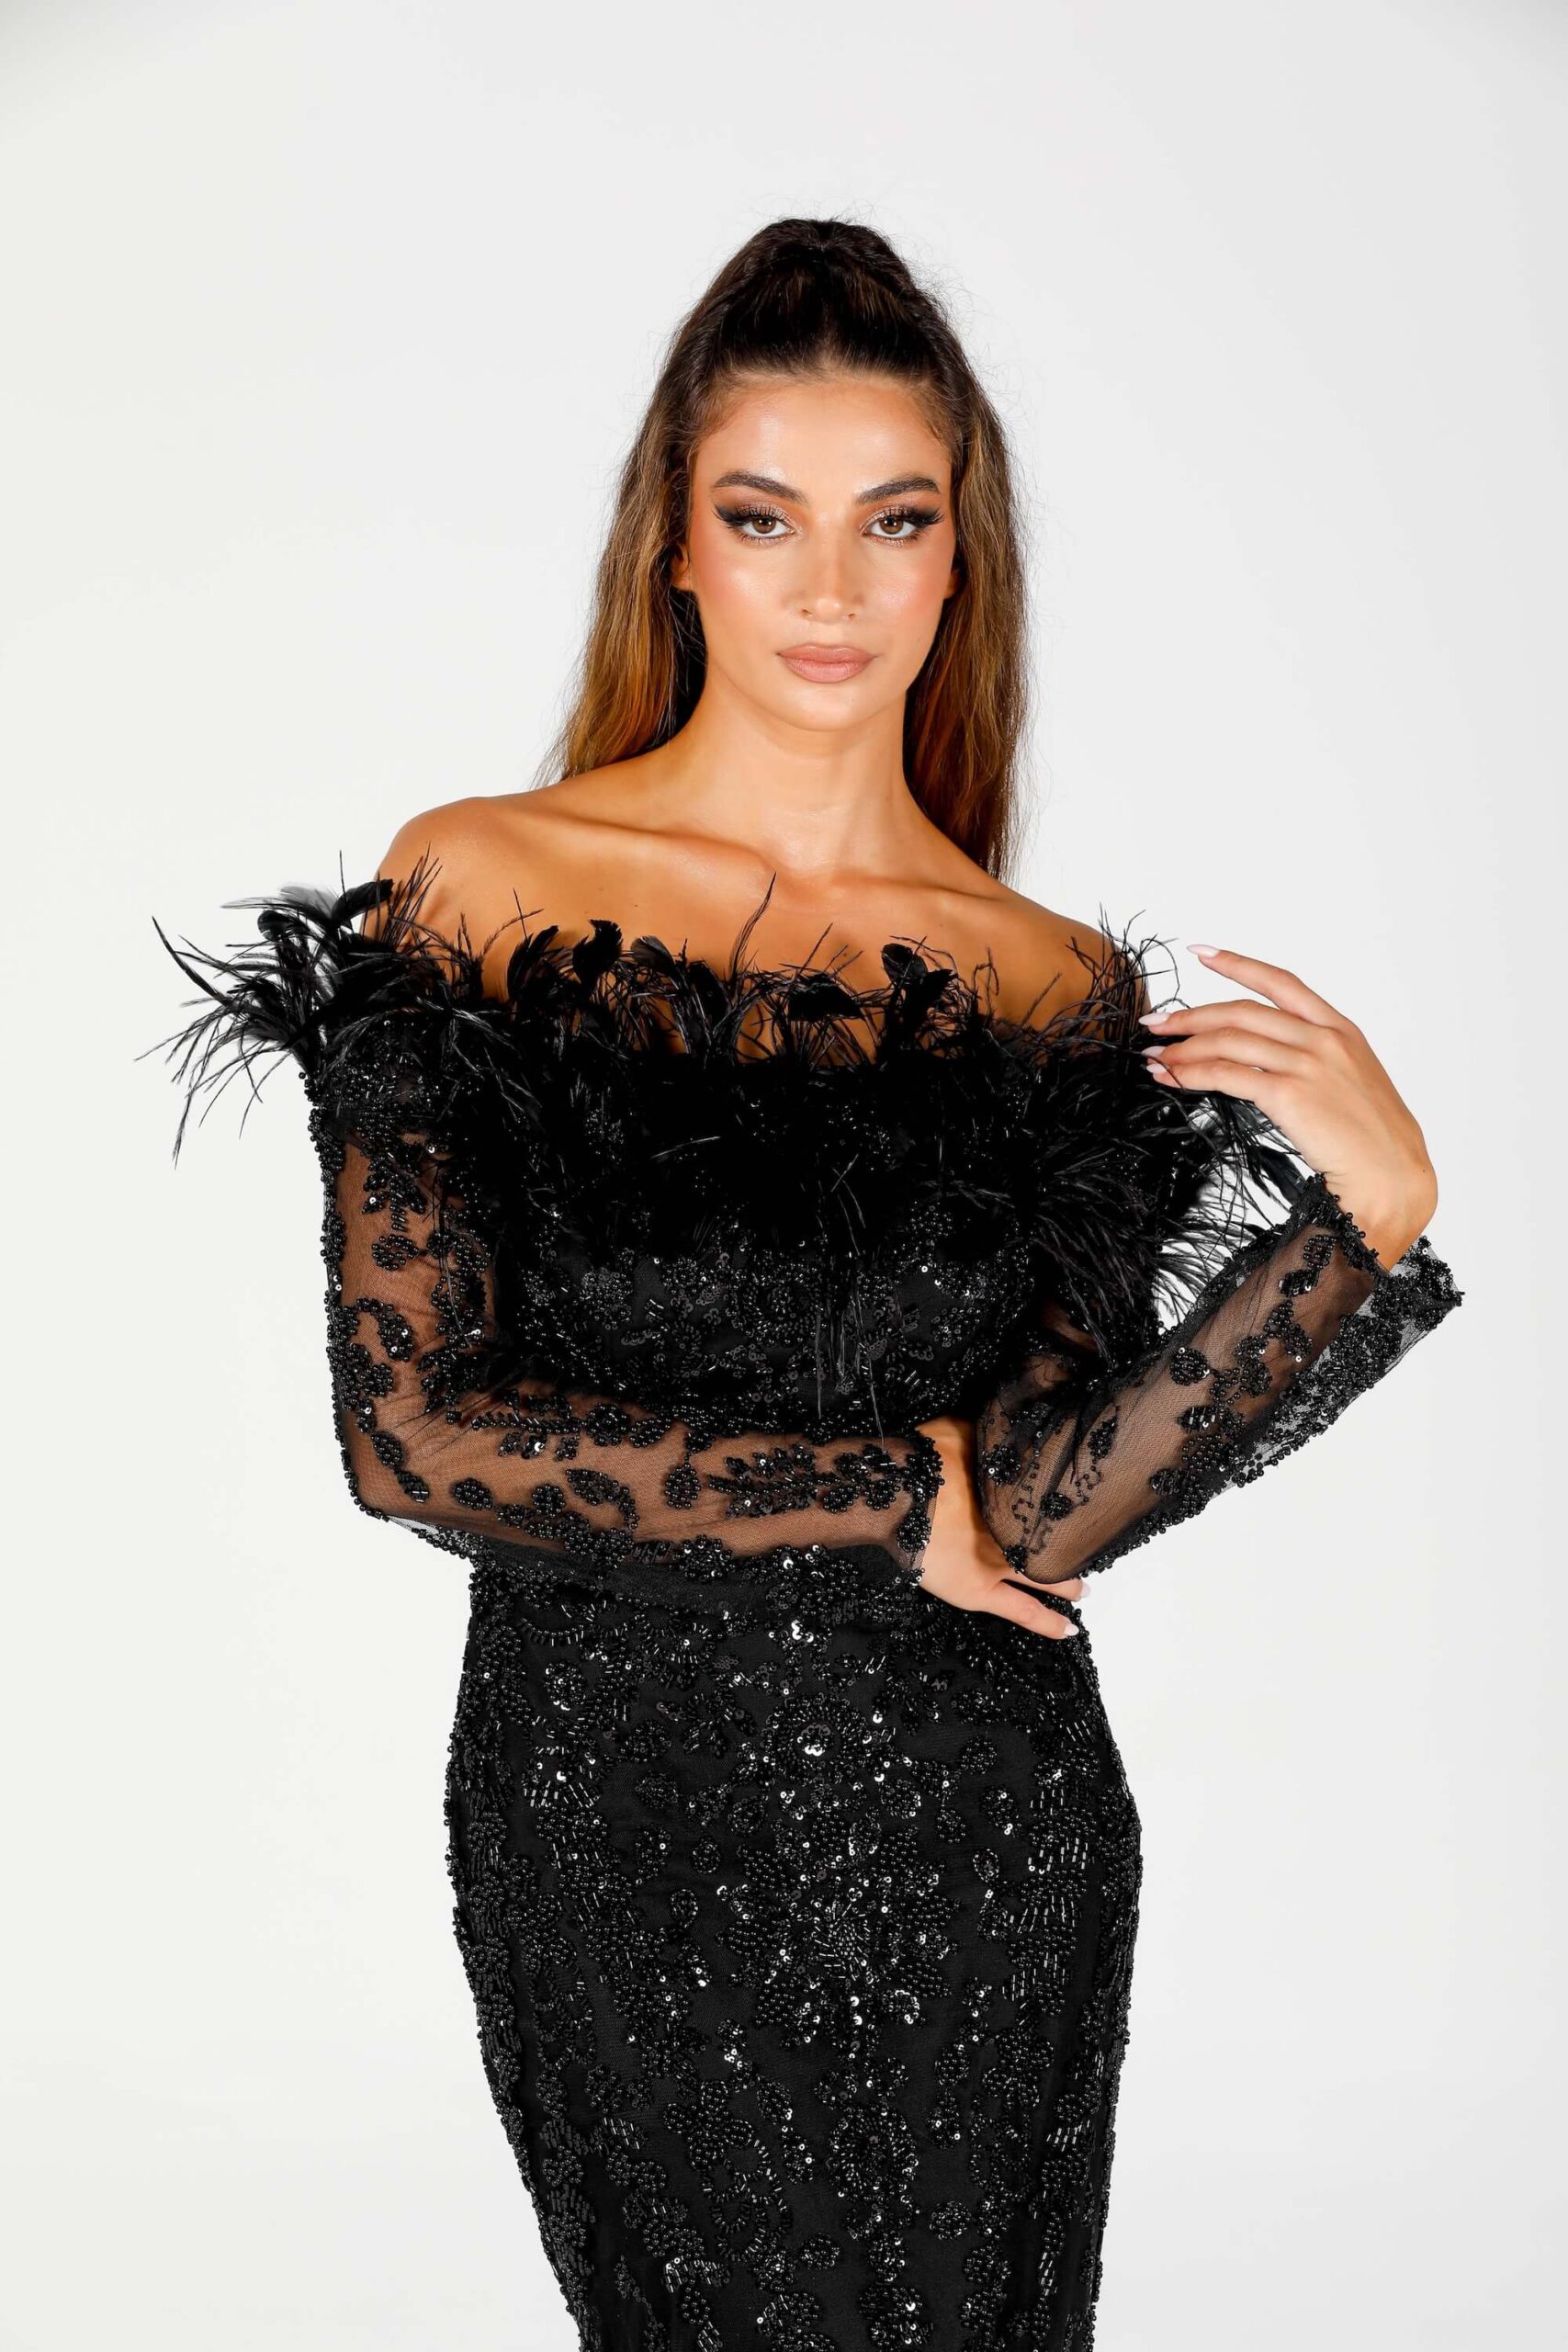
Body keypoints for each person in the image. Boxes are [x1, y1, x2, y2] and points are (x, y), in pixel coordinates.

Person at [150, 217, 1462, 2349]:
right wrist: (872, 1496)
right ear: (676, 546)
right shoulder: (481, 883)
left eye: (892, 521)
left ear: (958, 561)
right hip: (615, 1820)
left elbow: (1041, 1508)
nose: (830, 587)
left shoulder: (1042, 983)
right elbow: (412, 1434)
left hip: (978, 1833)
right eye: (765, 518)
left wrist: (1362, 1224)